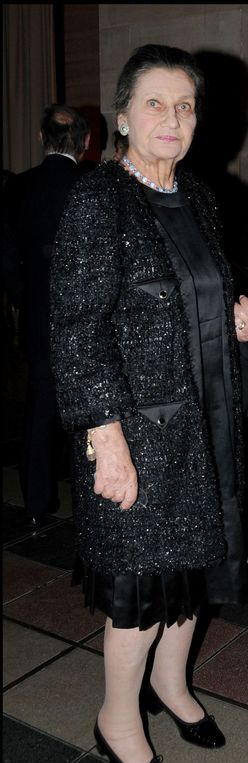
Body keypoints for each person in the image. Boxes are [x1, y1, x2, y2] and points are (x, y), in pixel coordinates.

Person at [50, 44, 248, 763]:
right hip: (134, 435)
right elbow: (75, 327)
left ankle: (172, 687)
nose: (173, 118)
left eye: (186, 105)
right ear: (120, 117)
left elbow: (203, 290)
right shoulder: (98, 199)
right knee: (141, 590)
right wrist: (104, 438)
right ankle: (117, 716)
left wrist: (238, 321)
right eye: (155, 103)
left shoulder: (199, 196)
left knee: (194, 569)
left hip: (203, 425)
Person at [5, 105, 90, 524]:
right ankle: (91, 503)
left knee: (39, 412)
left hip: (38, 316)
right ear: (87, 141)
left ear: (42, 138)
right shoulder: (93, 185)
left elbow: (6, 256)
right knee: (89, 411)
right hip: (87, 319)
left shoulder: (18, 187)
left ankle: (37, 504)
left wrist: (25, 298)